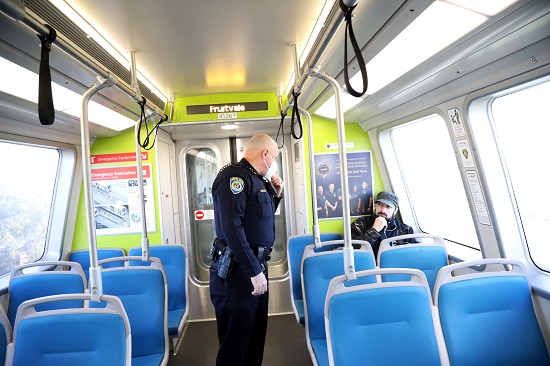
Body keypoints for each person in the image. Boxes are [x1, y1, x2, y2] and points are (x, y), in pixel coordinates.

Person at [209, 134, 284, 366]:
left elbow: (258, 219)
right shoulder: (234, 177)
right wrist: (254, 271)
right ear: (265, 154)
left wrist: (276, 195)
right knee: (236, 346)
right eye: (274, 157)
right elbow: (232, 227)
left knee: (254, 339)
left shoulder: (257, 179)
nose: (273, 163)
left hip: (254, 267)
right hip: (238, 273)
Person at [351, 191, 416, 258]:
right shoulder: (359, 224)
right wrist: (374, 230)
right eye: (380, 204)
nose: (383, 210)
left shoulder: (405, 230)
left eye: (388, 206)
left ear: (395, 210)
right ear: (375, 206)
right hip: (368, 266)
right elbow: (352, 251)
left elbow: (412, 256)